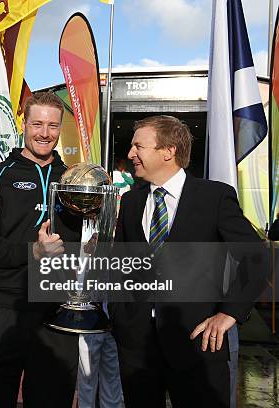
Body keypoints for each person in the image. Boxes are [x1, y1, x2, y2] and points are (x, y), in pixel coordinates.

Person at [111, 115, 265, 407]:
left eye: (138, 146)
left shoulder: (214, 197)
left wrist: (228, 314)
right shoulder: (130, 202)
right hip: (137, 348)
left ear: (168, 151)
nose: (131, 154)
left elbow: (255, 258)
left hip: (199, 346)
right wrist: (121, 317)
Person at [0, 91, 81, 407]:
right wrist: (33, 251)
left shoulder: (75, 180)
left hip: (57, 311)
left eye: (53, 126)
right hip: (5, 307)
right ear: (24, 124)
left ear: (61, 128)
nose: (45, 134)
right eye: (37, 124)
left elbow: (89, 246)